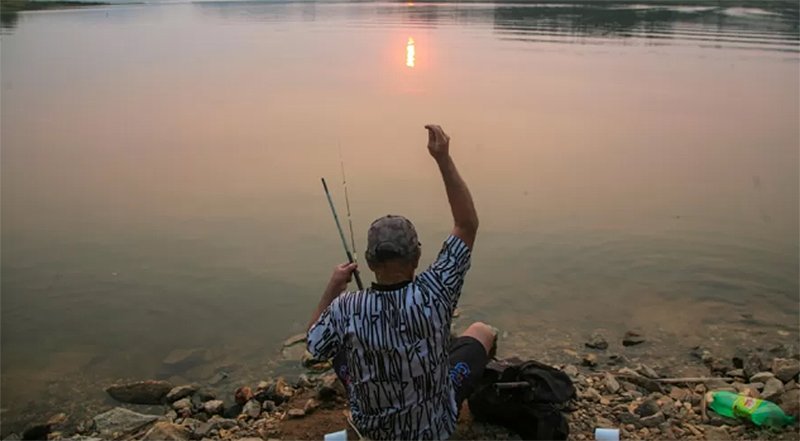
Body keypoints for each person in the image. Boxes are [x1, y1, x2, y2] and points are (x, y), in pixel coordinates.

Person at [306, 124, 496, 440]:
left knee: (335, 346)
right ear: (417, 256)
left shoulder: (346, 308)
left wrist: (333, 286)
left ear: (367, 263)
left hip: (373, 433)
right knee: (481, 332)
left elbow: (313, 344)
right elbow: (467, 224)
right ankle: (479, 399)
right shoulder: (437, 291)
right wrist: (443, 159)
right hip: (435, 430)